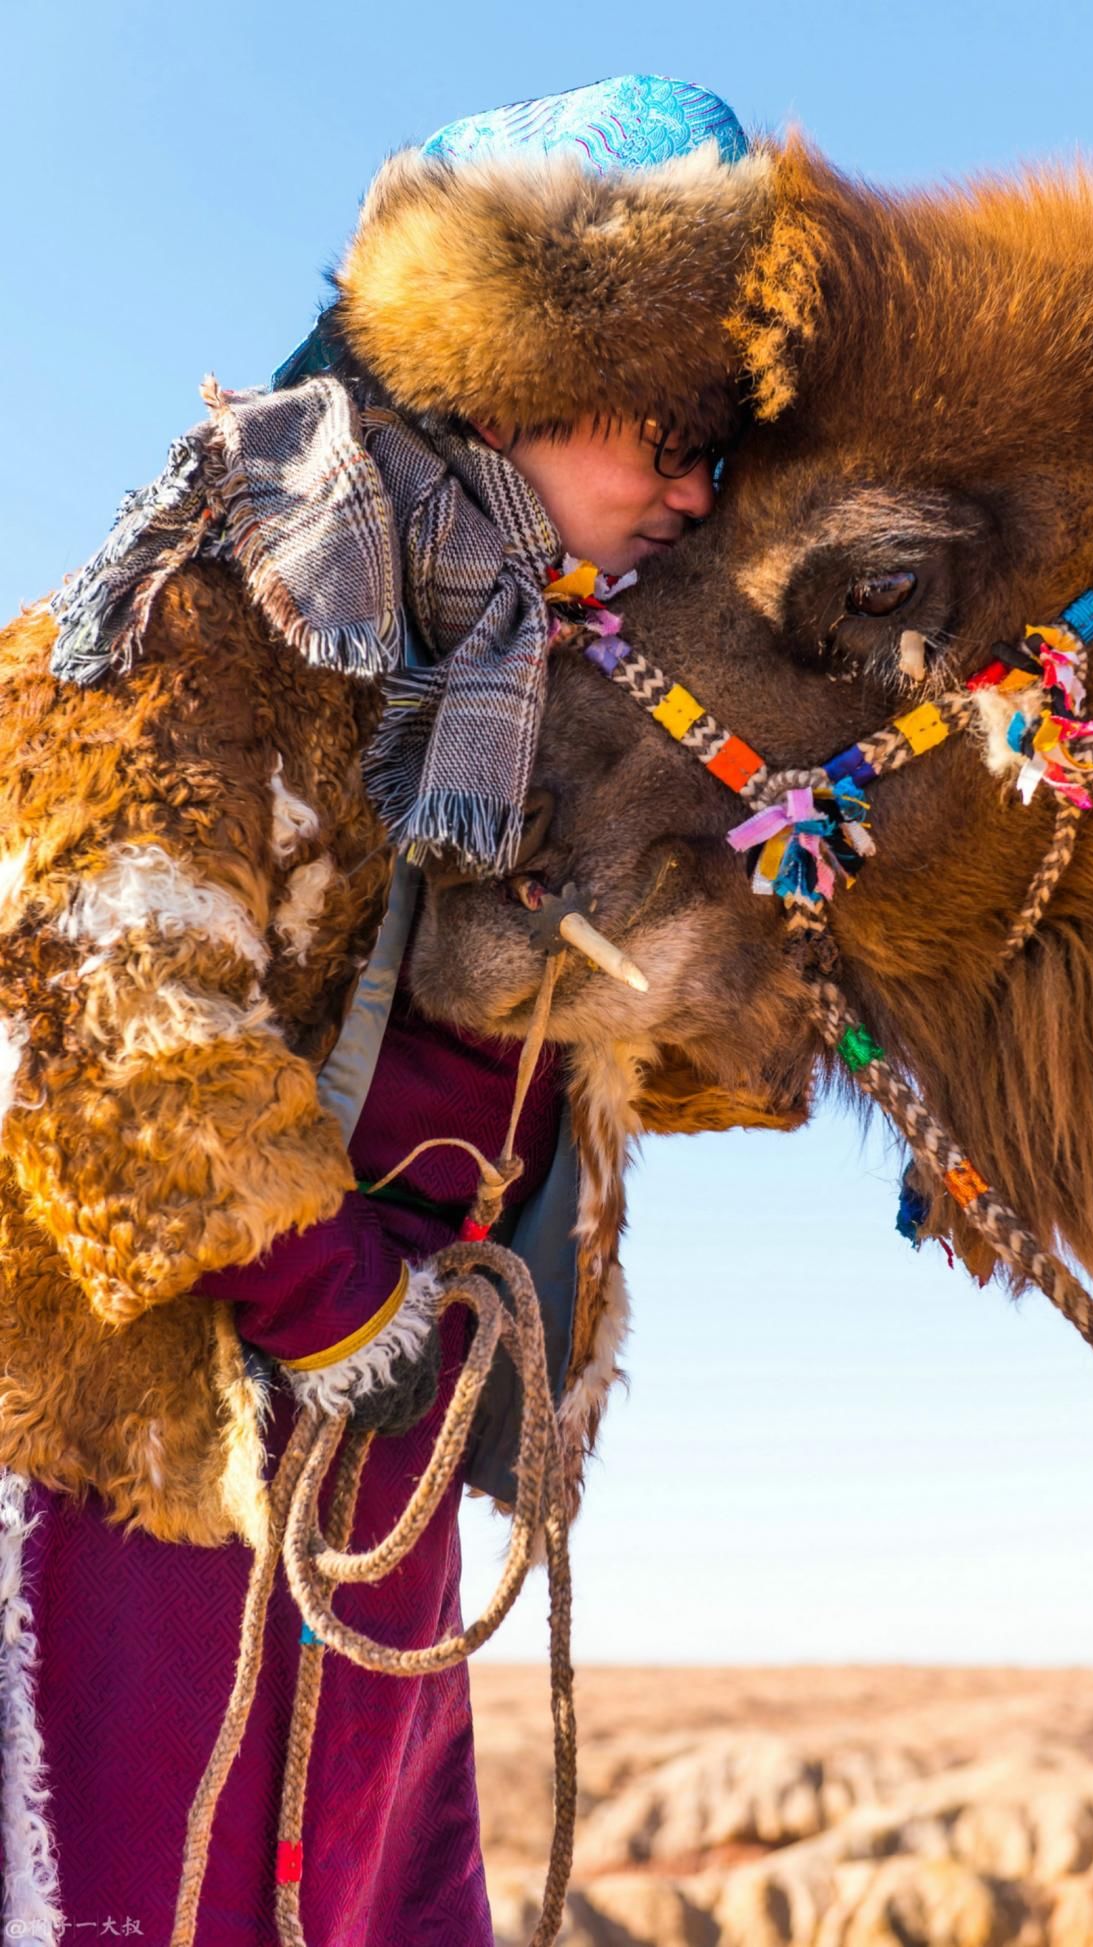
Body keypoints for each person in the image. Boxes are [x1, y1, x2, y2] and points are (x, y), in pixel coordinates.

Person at [0, 74, 789, 1946]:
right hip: (150, 1460)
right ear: (519, 376)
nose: (696, 491)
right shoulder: (209, 600)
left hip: (382, 1452)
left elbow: (622, 1075)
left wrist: (782, 982)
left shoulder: (553, 699)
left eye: (724, 457)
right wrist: (333, 1298)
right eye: (671, 431)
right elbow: (91, 986)